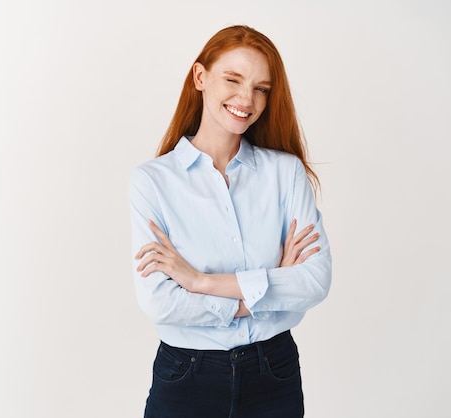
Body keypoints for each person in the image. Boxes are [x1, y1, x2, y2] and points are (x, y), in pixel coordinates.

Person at [128, 24, 332, 418]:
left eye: (261, 88)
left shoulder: (285, 174)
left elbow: (314, 281)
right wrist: (267, 290)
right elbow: (161, 303)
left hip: (274, 372)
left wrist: (201, 282)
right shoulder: (152, 182)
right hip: (187, 376)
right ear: (200, 77)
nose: (246, 98)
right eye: (233, 79)